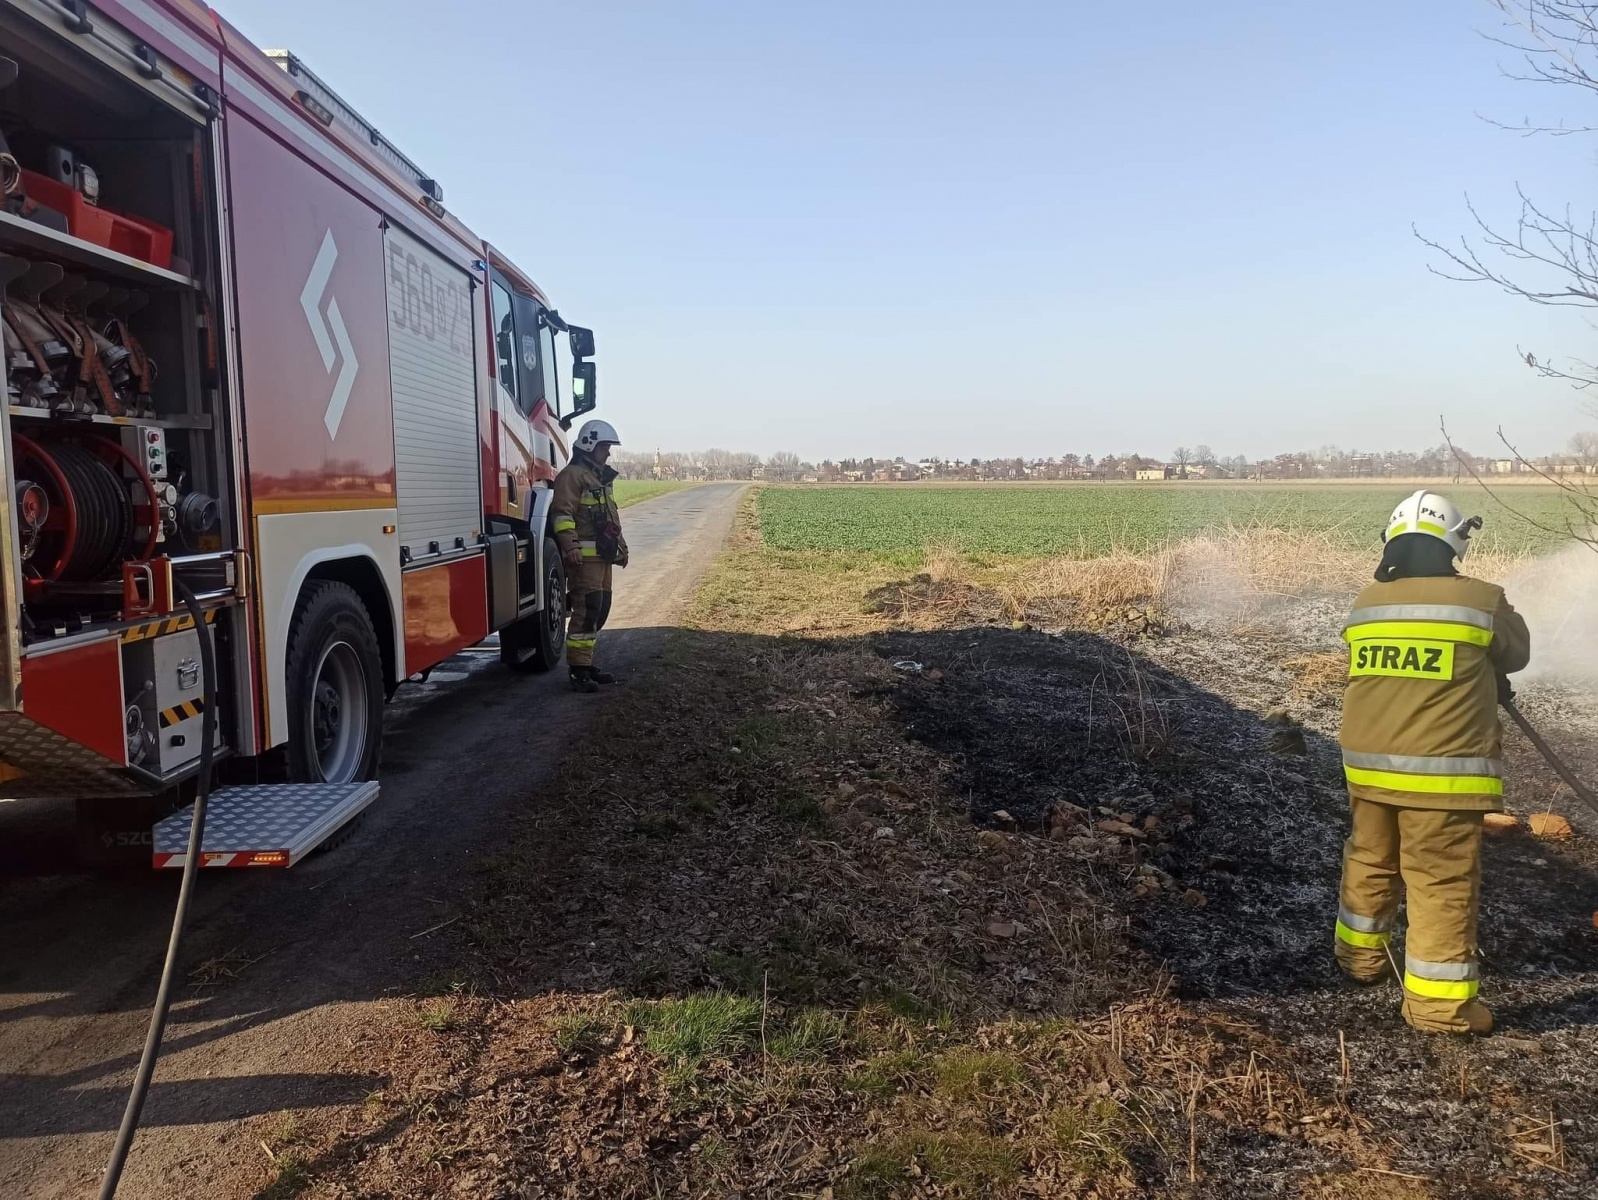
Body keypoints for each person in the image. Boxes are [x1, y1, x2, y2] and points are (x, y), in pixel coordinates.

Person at [1335, 490, 1530, 1035]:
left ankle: (1359, 960)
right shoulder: (1482, 600)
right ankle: (1441, 1008)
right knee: (1440, 881)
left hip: (1367, 766)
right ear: (1455, 543)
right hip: (1440, 774)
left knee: (1370, 859)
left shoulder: (1367, 601)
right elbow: (1516, 653)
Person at [550, 419, 628, 693]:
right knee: (587, 610)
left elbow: (610, 518)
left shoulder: (597, 478)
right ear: (589, 445)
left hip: (602, 558)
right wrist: (570, 546)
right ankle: (578, 671)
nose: (608, 452)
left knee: (601, 608)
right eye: (604, 447)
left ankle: (587, 663)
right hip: (584, 559)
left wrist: (621, 548)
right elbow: (562, 514)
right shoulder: (572, 476)